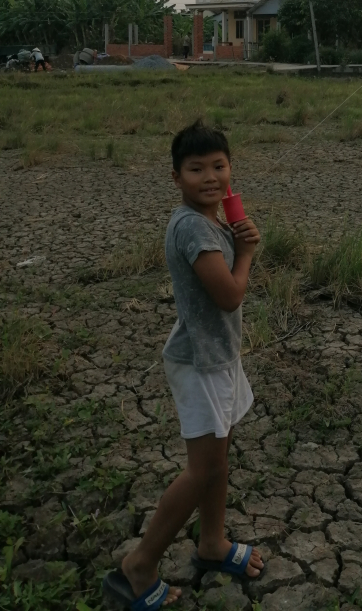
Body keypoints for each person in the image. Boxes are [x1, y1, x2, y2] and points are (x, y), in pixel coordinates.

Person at [103, 120, 263, 610]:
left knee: (219, 461)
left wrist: (238, 236)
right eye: (196, 169)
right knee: (203, 469)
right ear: (176, 177)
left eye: (218, 165)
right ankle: (139, 565)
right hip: (200, 364)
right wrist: (249, 253)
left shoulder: (212, 219)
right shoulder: (193, 225)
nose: (209, 177)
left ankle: (211, 543)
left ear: (230, 170)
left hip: (216, 357)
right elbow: (229, 294)